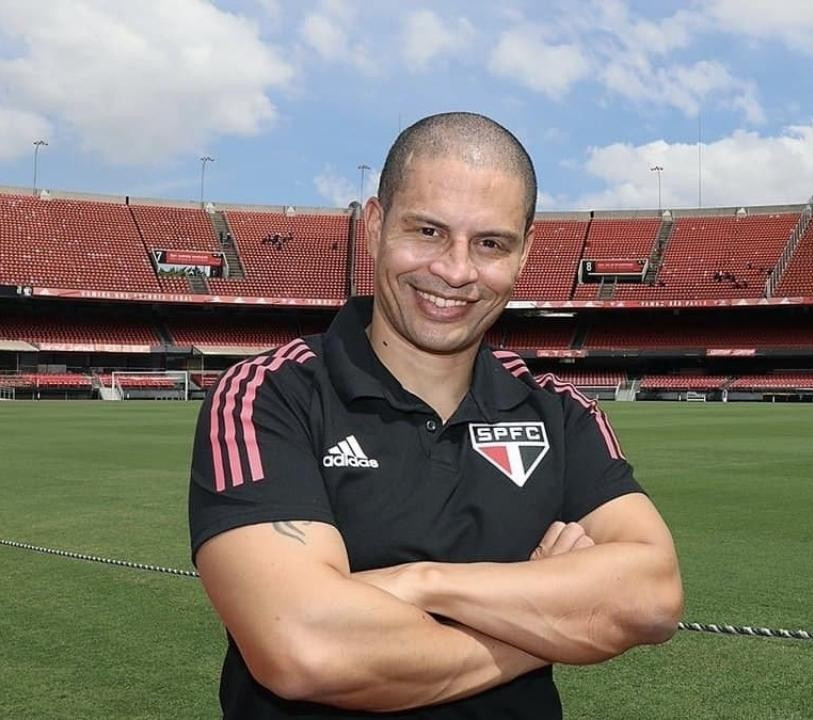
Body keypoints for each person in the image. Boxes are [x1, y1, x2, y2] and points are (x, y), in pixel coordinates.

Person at [188, 112, 683, 719]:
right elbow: (305, 648)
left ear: (524, 254)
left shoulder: (561, 412)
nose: (455, 271)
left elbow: (653, 598)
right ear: (375, 226)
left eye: (490, 243)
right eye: (427, 231)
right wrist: (559, 622)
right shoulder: (266, 395)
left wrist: (422, 582)